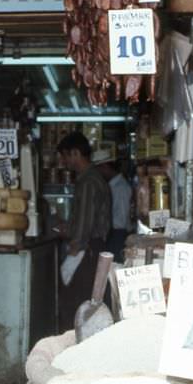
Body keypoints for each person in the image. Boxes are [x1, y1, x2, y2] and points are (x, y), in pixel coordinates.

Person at [56, 132, 112, 332]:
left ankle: (72, 352)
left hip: (87, 251)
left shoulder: (88, 181)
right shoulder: (92, 178)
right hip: (92, 249)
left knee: (75, 304)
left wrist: (74, 248)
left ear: (76, 153)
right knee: (87, 302)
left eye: (65, 156)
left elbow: (85, 225)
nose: (64, 162)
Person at [95, 155, 132, 263]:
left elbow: (121, 220)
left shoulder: (120, 187)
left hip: (118, 235)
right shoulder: (111, 186)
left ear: (105, 167)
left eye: (99, 170)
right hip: (113, 234)